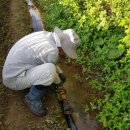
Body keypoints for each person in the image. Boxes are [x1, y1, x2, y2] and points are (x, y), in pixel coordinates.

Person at [2, 27, 81, 116]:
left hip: (11, 72)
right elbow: (50, 69)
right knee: (49, 72)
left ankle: (40, 83)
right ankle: (31, 98)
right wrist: (59, 84)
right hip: (13, 80)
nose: (65, 55)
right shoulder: (53, 51)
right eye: (66, 51)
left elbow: (46, 61)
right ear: (63, 48)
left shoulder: (46, 35)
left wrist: (60, 73)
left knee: (51, 71)